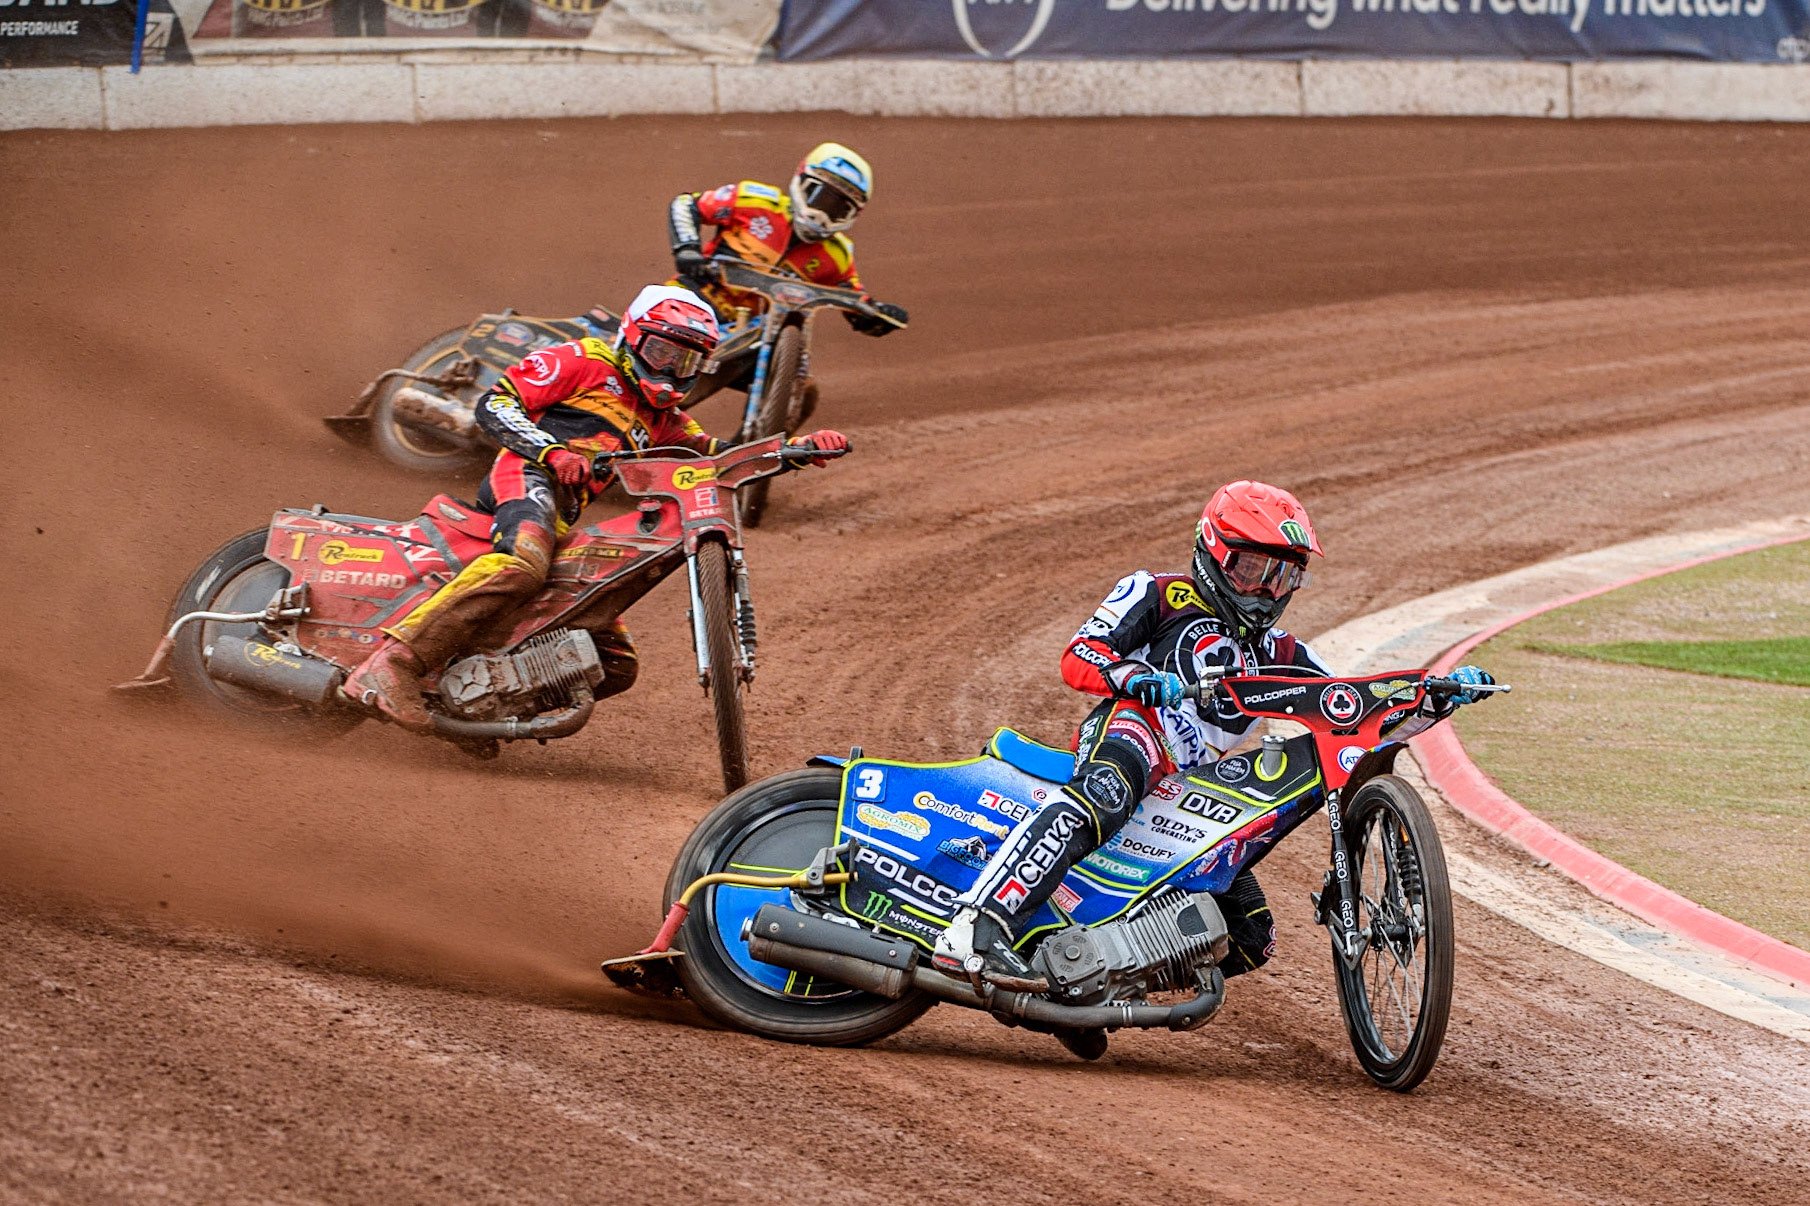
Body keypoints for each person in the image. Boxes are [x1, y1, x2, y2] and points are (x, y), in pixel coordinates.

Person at [933, 480, 1495, 993]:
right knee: (1105, 794)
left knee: (1250, 937)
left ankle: (1091, 982)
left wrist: (1435, 698)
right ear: (1212, 552)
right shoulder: (1155, 592)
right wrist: (1134, 676)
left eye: (1282, 576)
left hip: (1192, 792)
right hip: (1134, 733)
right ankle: (976, 927)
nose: (1265, 591)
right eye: (1252, 569)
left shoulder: (1282, 652)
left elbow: (1350, 710)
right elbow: (1078, 657)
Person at [342, 284, 849, 730]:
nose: (671, 369)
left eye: (686, 362)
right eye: (662, 351)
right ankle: (394, 664)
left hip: (563, 512)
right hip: (526, 474)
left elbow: (717, 458)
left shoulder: (665, 418)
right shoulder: (583, 359)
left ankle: (482, 707)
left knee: (616, 662)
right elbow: (495, 402)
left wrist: (793, 452)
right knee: (523, 564)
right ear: (631, 336)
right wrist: (550, 451)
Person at [666, 142, 908, 412]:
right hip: (695, 302)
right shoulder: (754, 200)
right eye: (821, 198)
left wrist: (878, 315)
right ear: (802, 183)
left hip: (751, 339)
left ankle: (751, 451)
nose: (826, 213)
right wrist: (687, 249)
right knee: (665, 366)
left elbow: (854, 301)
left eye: (840, 208)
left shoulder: (838, 256)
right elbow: (687, 204)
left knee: (802, 392)